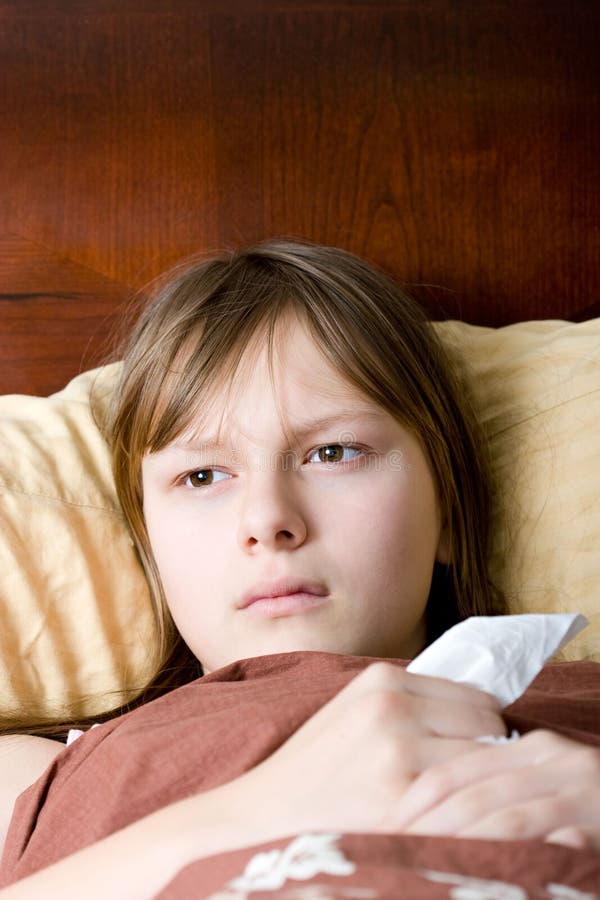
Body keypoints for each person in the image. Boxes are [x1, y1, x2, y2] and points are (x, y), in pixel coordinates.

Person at [0, 240, 598, 898]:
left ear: (448, 512)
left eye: (333, 452)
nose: (267, 519)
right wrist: (270, 805)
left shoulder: (579, 707)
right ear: (152, 546)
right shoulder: (36, 775)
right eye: (202, 475)